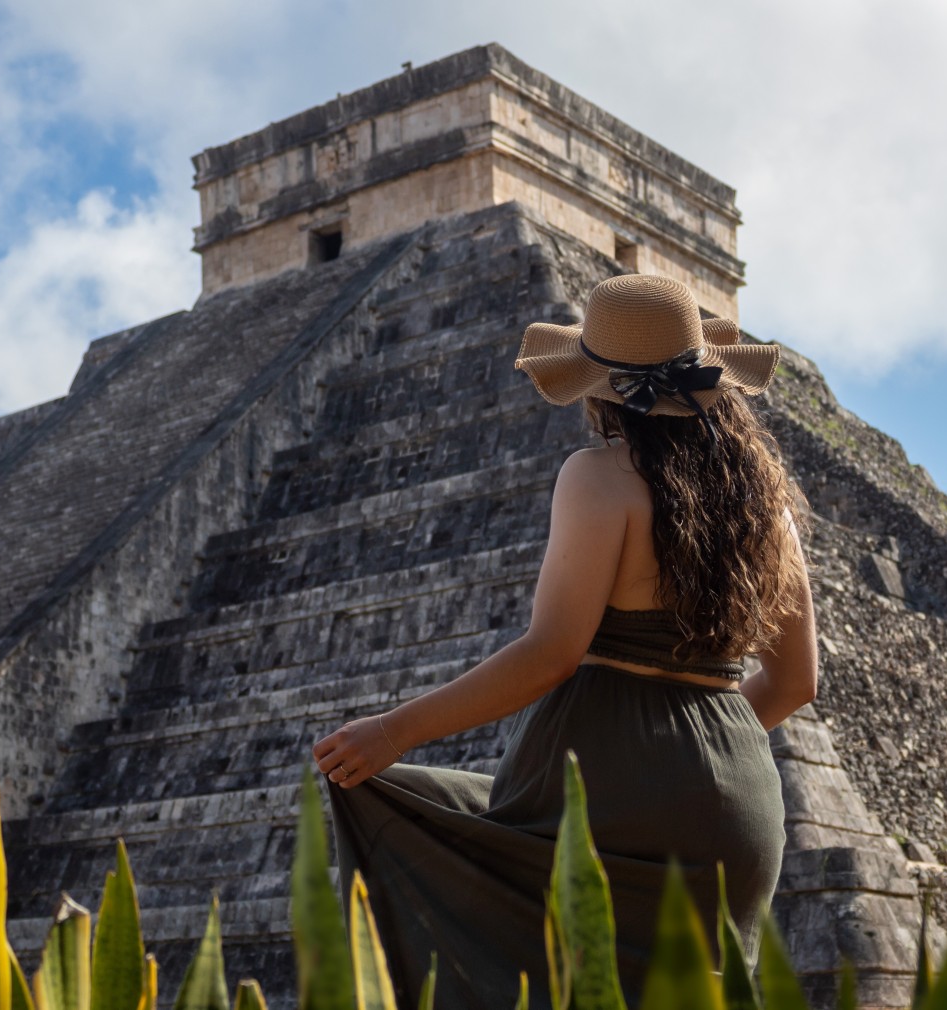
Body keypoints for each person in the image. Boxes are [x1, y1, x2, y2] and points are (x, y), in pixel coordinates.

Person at [311, 273, 819, 1009]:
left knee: (393, 799)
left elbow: (552, 651)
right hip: (739, 804)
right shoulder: (766, 503)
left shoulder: (600, 477)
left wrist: (394, 730)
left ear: (599, 387)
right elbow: (797, 683)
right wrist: (698, 749)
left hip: (608, 789)